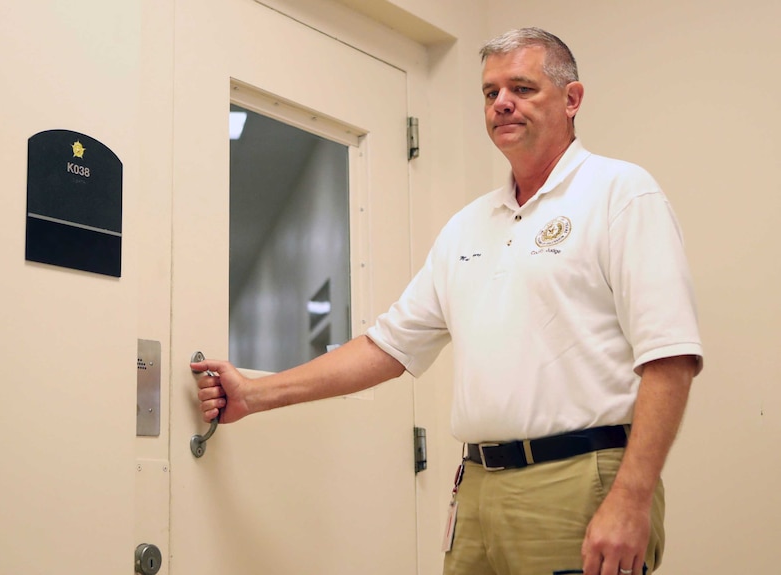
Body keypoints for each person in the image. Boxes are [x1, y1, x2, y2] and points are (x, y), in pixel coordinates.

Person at [193, 27, 702, 575]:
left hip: (579, 482)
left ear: (572, 99)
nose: (502, 103)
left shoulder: (621, 193)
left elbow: (669, 358)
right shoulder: (467, 227)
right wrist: (257, 393)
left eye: (523, 88)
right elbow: (387, 346)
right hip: (477, 489)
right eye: (490, 92)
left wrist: (632, 498)